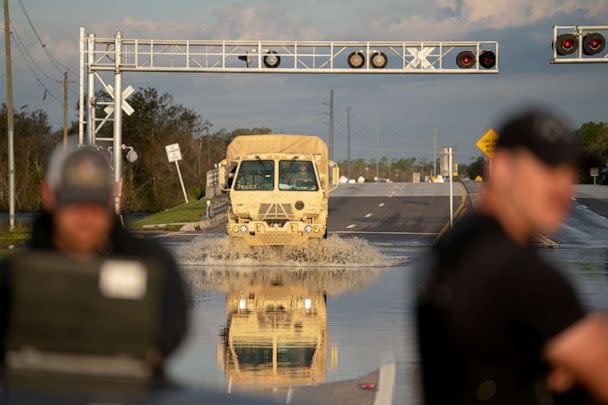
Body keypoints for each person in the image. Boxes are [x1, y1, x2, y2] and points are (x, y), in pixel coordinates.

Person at [416, 109, 608, 404]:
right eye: (548, 168)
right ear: (502, 169)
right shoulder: (511, 267)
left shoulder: (458, 245)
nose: (562, 187)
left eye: (568, 171)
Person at [0, 145, 189, 380]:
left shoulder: (153, 265)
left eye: (96, 205)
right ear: (49, 195)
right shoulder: (14, 273)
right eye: (73, 203)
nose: (85, 218)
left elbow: (171, 330)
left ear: (112, 198)